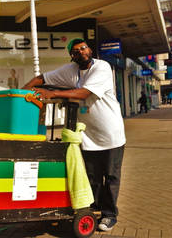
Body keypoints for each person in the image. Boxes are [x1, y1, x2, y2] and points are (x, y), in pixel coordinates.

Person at [23, 38, 126, 232]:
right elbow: (42, 78)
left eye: (84, 48)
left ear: (90, 49)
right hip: (88, 136)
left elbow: (83, 94)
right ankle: (93, 209)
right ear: (72, 55)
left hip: (110, 135)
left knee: (111, 177)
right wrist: (22, 92)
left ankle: (110, 215)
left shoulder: (102, 67)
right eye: (76, 51)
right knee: (92, 177)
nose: (82, 52)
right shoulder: (70, 70)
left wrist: (52, 94)